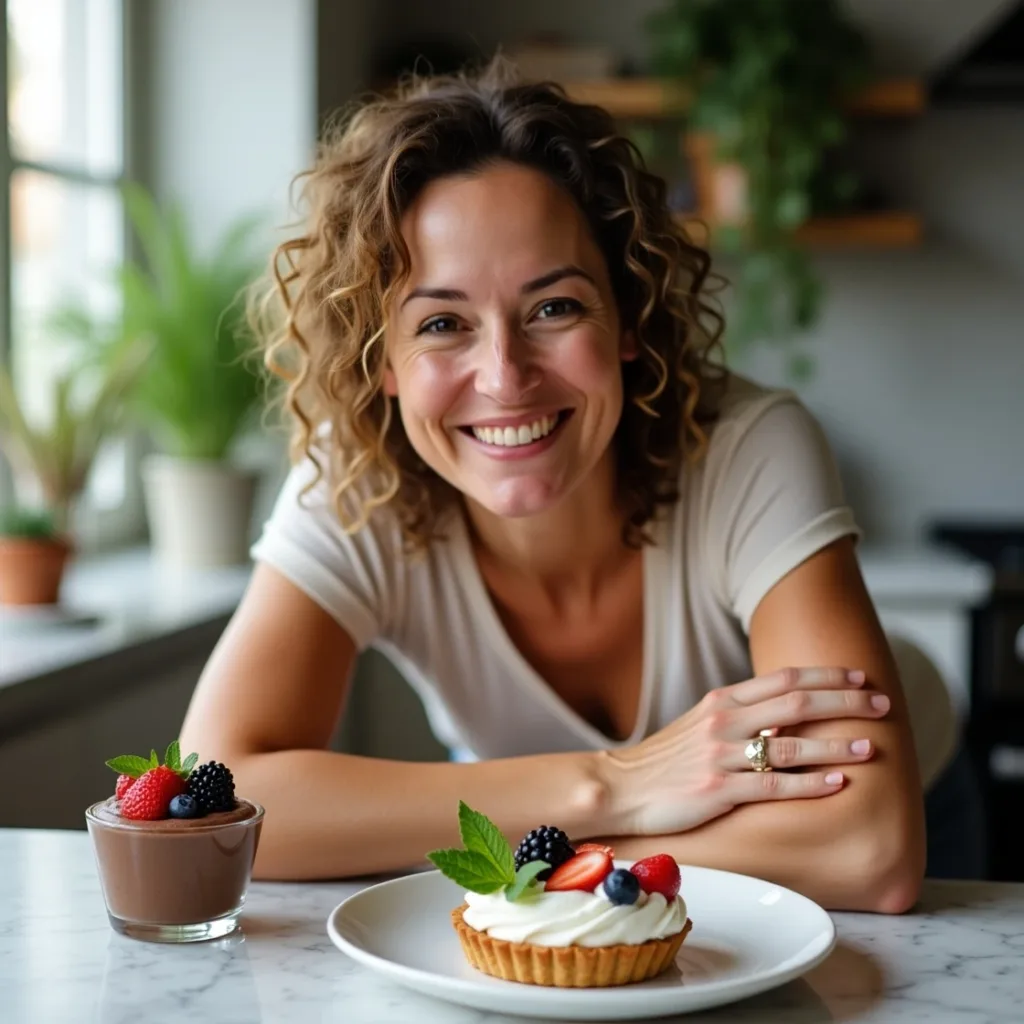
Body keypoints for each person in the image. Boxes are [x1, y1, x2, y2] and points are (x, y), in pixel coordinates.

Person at [181, 61, 952, 911]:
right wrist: (609, 784)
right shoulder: (356, 479)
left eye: (554, 308)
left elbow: (868, 848)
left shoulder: (748, 449)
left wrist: (549, 847)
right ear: (383, 364)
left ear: (626, 318)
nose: (505, 377)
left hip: (918, 749)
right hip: (702, 842)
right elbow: (213, 805)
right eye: (442, 324)